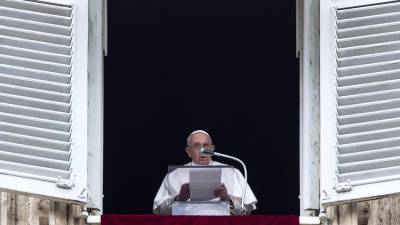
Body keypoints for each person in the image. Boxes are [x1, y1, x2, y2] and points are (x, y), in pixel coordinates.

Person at [153, 130, 257, 215]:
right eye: (197, 146)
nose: (202, 150)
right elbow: (160, 212)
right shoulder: (173, 176)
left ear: (212, 149)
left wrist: (227, 199)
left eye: (206, 145)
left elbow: (245, 211)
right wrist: (179, 199)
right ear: (188, 152)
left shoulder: (232, 172)